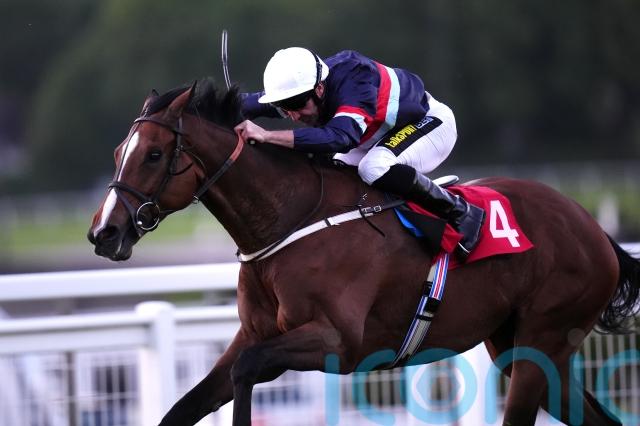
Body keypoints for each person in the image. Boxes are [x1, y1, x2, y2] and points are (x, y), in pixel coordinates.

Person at [235, 47, 485, 258]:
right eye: (282, 106)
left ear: (319, 89)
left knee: (373, 167)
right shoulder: (302, 91)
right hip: (378, 137)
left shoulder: (356, 80)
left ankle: (461, 212)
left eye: (294, 105)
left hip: (428, 124)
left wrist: (267, 136)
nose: (292, 114)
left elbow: (340, 138)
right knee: (330, 171)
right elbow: (243, 102)